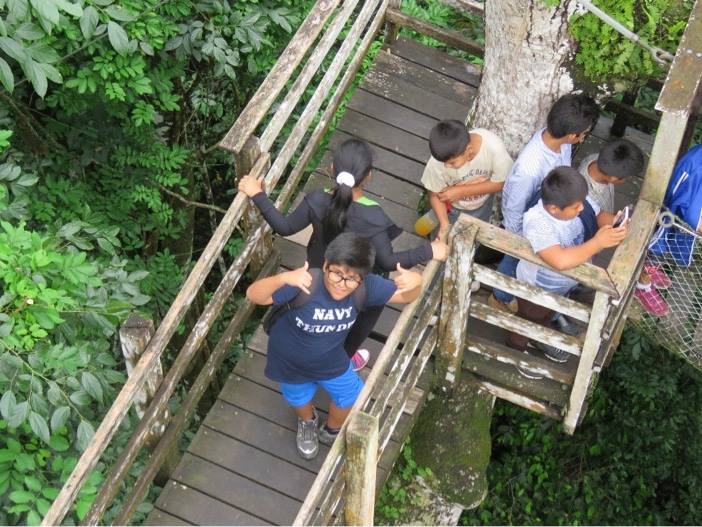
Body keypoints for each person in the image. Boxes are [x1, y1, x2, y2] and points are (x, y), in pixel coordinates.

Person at [239, 138, 448, 372]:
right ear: (368, 175)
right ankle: (344, 359)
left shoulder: (317, 199)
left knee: (316, 314)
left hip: (319, 274)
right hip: (356, 282)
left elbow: (285, 228)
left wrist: (258, 194)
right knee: (358, 323)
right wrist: (429, 250)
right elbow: (387, 261)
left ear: (332, 169)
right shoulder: (374, 216)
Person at [246, 233, 424, 459]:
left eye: (351, 279)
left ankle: (331, 430)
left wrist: (416, 280)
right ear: (326, 265)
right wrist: (283, 279)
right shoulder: (305, 282)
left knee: (351, 395)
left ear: (362, 277)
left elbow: (407, 296)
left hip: (331, 360)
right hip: (290, 362)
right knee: (298, 398)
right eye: (337, 274)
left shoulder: (365, 287)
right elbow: (254, 295)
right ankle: (308, 422)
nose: (342, 284)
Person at [490, 93, 600, 313]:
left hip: (547, 211)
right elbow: (513, 207)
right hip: (523, 226)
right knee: (513, 260)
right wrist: (521, 240)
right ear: (573, 135)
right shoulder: (529, 169)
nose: (584, 137)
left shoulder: (562, 145)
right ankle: (500, 296)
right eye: (584, 133)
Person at [506, 167, 626, 363]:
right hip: (538, 288)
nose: (581, 209)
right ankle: (515, 352)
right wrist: (598, 242)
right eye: (576, 207)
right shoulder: (537, 221)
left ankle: (544, 330)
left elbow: (597, 214)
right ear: (554, 209)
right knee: (529, 319)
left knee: (547, 313)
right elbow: (559, 260)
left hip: (563, 283)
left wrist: (615, 222)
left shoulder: (574, 200)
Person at [578, 139, 670, 315]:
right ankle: (583, 287)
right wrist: (615, 224)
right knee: (590, 258)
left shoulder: (596, 159)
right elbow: (594, 216)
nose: (628, 180)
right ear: (613, 178)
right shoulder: (585, 194)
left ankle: (643, 272)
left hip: (599, 217)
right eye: (627, 178)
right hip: (589, 232)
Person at [419, 119, 513, 235]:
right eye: (444, 163)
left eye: (452, 163)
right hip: (450, 209)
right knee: (444, 236)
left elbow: (501, 182)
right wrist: (444, 224)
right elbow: (434, 194)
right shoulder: (437, 163)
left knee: (473, 236)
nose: (446, 166)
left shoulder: (494, 149)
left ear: (468, 150)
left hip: (482, 206)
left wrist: (461, 191)